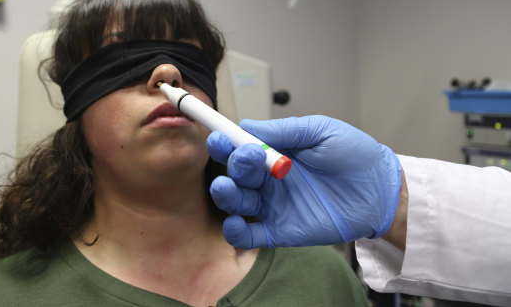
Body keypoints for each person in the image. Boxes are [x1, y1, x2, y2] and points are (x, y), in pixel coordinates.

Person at [0, 0, 369, 306]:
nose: (167, 72)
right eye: (125, 59)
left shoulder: (322, 279)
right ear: (78, 107)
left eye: (186, 58)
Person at [206, 115, 511, 306]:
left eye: (191, 64)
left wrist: (393, 200)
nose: (169, 72)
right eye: (154, 55)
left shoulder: (324, 272)